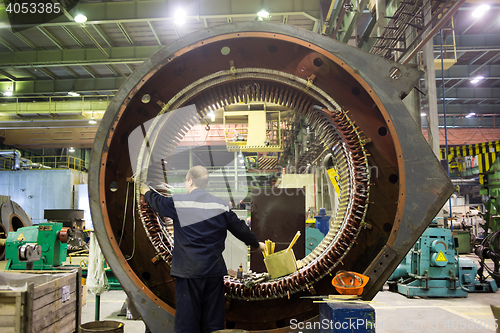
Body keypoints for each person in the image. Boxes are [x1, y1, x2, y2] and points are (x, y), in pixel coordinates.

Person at [140, 165, 265, 333]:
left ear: (190, 181)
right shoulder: (220, 205)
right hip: (213, 272)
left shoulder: (180, 202)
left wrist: (146, 191)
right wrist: (257, 244)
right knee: (213, 324)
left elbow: (158, 203)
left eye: (186, 180)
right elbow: (240, 228)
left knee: (187, 324)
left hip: (189, 273)